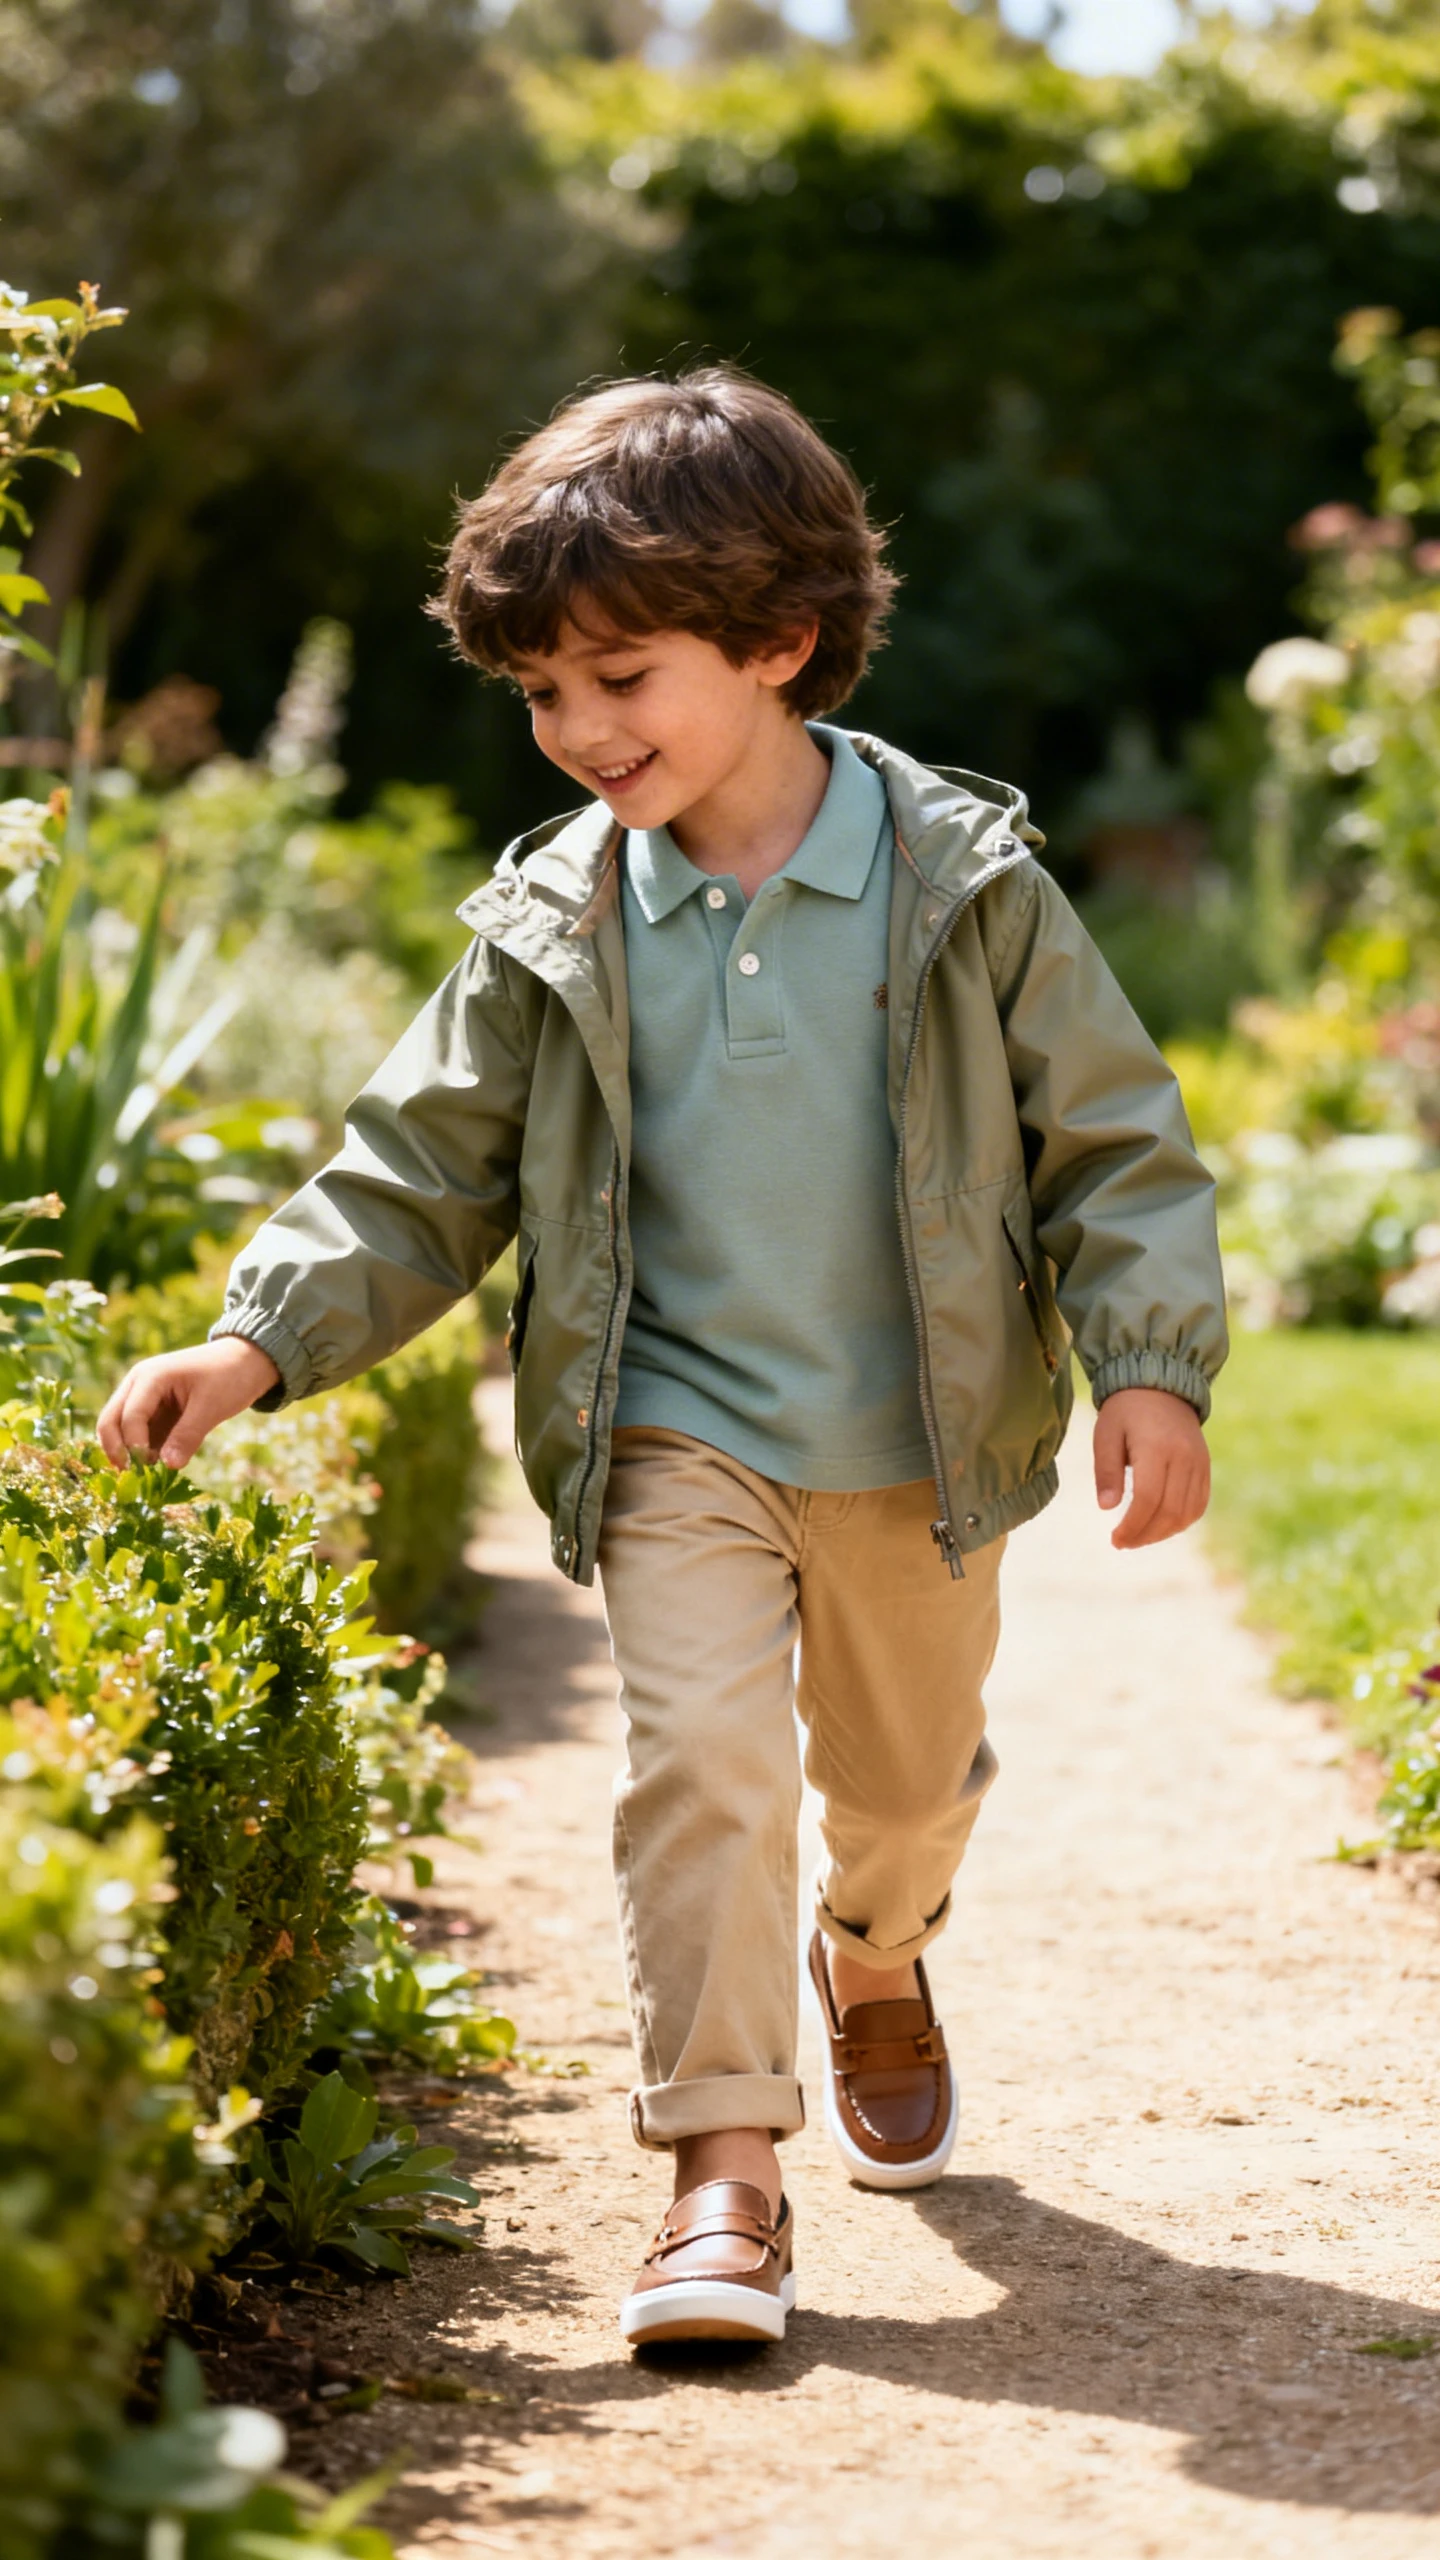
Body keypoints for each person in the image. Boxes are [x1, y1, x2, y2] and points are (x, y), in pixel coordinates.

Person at [99, 367, 1227, 2351]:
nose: (577, 728)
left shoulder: (967, 883)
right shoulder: (554, 919)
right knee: (698, 1758)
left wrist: (1149, 1359)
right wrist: (254, 1334)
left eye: (621, 672)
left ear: (781, 640)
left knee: (904, 1776)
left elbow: (1116, 1142)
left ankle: (876, 1948)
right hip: (672, 1426)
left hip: (916, 1445)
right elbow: (418, 1165)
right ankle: (725, 2174)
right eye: (541, 689)